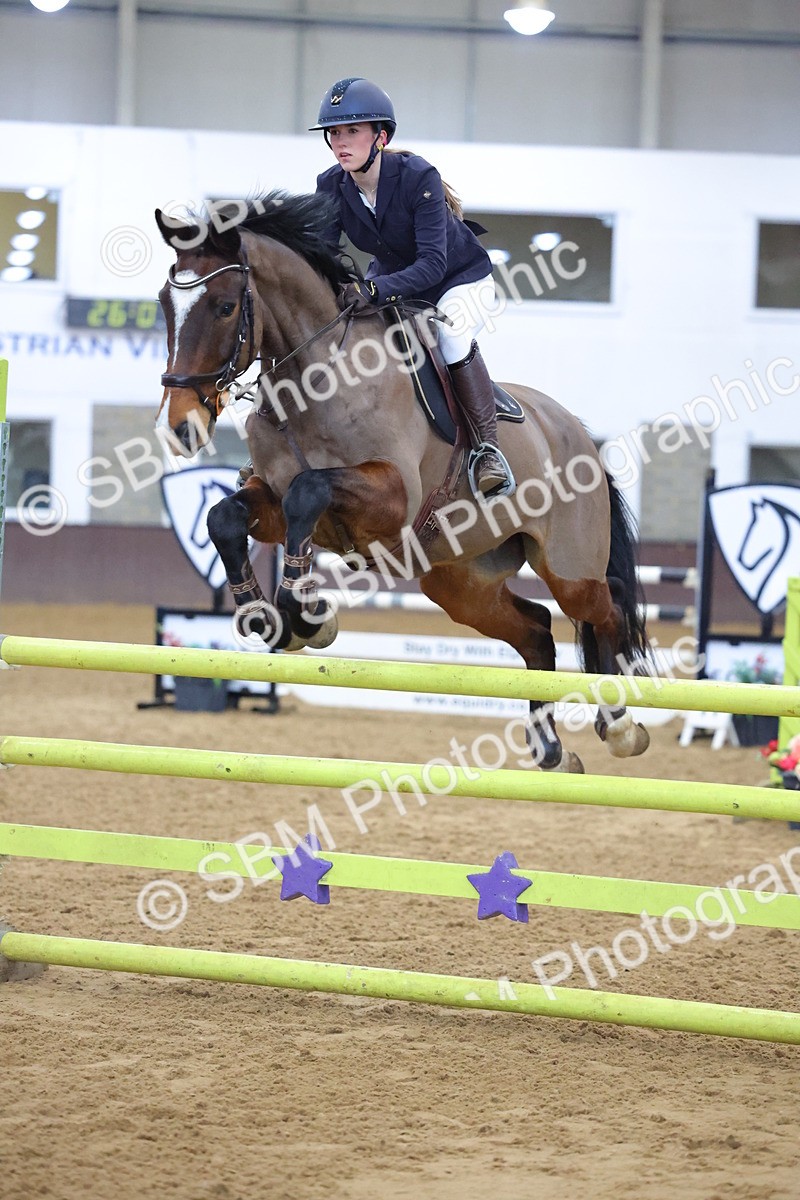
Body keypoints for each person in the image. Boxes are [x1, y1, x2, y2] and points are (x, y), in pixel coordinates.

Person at [311, 76, 515, 498]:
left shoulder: (417, 176)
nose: (340, 142)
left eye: (352, 131)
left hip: (459, 280)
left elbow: (433, 264)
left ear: (380, 137)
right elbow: (323, 255)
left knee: (452, 337)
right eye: (334, 133)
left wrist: (373, 291)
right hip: (394, 282)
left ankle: (487, 452)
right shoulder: (331, 184)